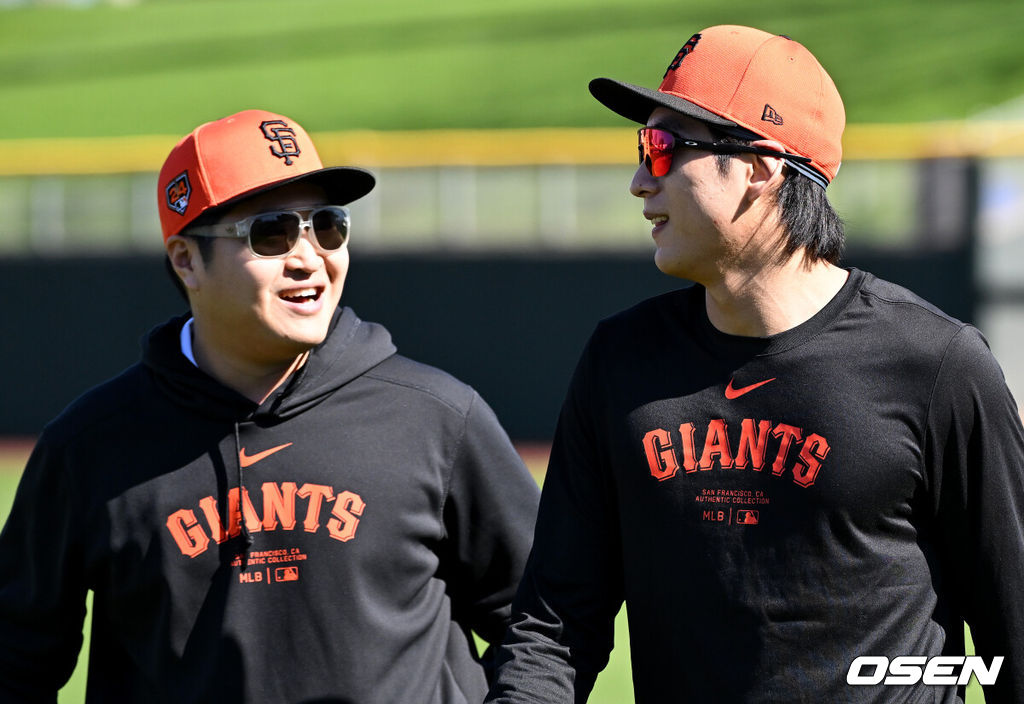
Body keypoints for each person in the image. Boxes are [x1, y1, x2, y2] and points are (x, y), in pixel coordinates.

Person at [487, 25, 1024, 703]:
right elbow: (556, 624)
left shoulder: (938, 367)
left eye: (661, 148)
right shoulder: (620, 362)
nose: (636, 182)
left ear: (761, 167)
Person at [0, 109, 540, 703]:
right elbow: (16, 660)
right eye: (271, 233)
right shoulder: (87, 447)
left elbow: (542, 619)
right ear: (186, 261)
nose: (309, 257)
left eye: (328, 226)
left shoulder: (438, 417)